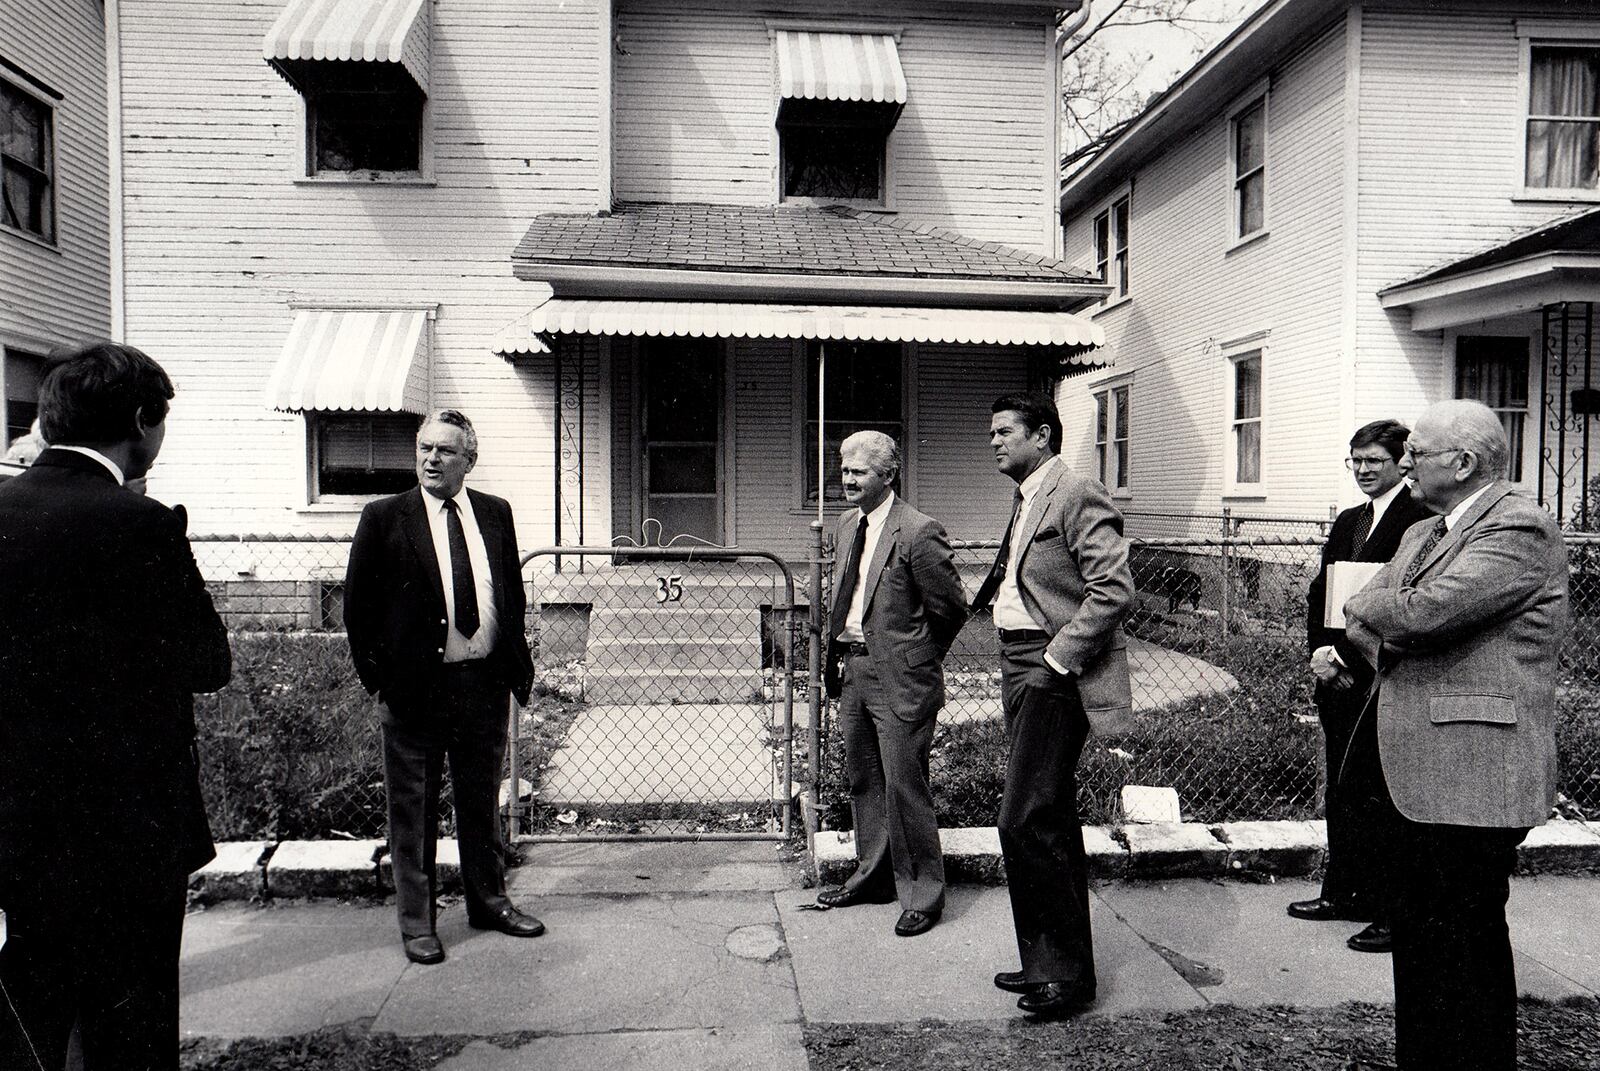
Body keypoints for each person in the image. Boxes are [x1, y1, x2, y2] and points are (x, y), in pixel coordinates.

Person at [0, 342, 231, 1070]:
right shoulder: (145, 526)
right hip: (129, 828)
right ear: (140, 420)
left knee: (32, 1000)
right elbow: (207, 663)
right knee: (130, 1022)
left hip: (17, 818)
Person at [1344, 399, 1568, 1071]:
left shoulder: (1520, 527)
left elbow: (1417, 611)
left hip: (1475, 774)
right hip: (1416, 773)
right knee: (1420, 944)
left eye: (1416, 451)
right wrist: (1380, 614)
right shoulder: (1425, 532)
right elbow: (1370, 609)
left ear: (1463, 462)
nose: (1404, 461)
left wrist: (1376, 611)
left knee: (1465, 948)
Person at [343, 409, 541, 965]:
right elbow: (359, 608)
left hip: (482, 686)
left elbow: (509, 593)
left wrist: (511, 665)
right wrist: (380, 679)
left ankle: (489, 902)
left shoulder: (495, 514)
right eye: (424, 448)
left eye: (445, 451)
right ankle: (418, 923)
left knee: (480, 802)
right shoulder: (385, 517)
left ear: (469, 461)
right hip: (414, 692)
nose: (431, 459)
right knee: (414, 809)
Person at [971, 393, 1133, 1021]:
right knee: (1048, 814)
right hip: (1021, 663)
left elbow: (1112, 588)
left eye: (1005, 431)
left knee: (1025, 816)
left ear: (1042, 435)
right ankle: (1049, 963)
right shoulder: (1030, 494)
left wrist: (1060, 658)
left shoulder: (1075, 490)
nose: (994, 441)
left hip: (1049, 668)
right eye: (991, 432)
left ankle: (1062, 976)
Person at [813, 431, 968, 937]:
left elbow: (950, 609)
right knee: (865, 780)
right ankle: (875, 878)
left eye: (858, 471)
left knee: (905, 785)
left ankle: (923, 895)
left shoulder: (919, 531)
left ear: (888, 474)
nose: (847, 479)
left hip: (901, 677)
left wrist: (916, 659)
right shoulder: (845, 524)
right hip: (854, 670)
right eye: (844, 469)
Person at [1293, 419, 1431, 954]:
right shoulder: (1349, 520)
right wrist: (1320, 653)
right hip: (1337, 674)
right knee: (1344, 788)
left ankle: (1393, 911)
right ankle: (1344, 892)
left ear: (1402, 462)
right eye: (1356, 460)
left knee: (1384, 793)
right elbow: (1322, 591)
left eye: (1374, 460)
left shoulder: (1419, 520)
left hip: (1385, 675)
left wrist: (1349, 655)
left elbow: (1401, 601)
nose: (1364, 470)